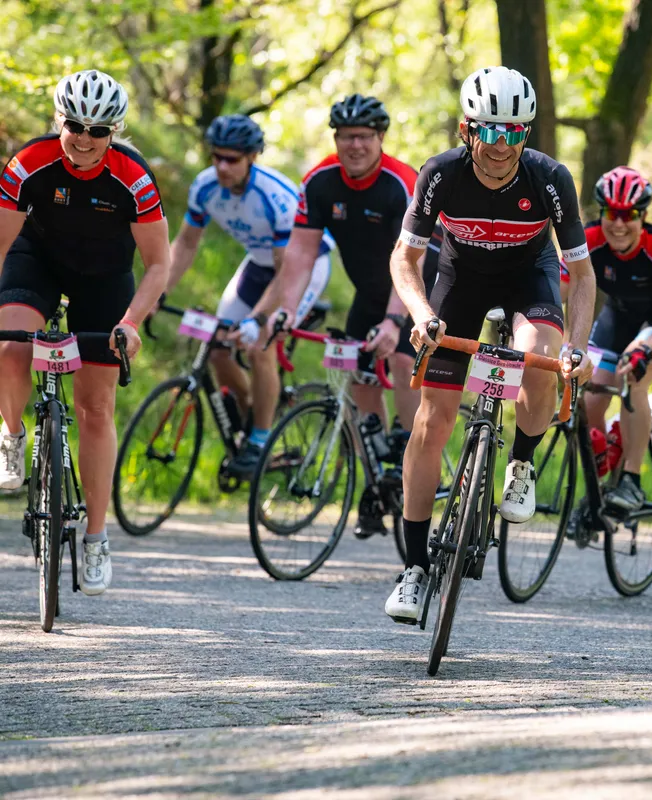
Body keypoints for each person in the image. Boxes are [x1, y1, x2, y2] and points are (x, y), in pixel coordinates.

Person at [384, 66, 596, 622]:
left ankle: (520, 464)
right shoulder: (440, 174)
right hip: (461, 281)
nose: (502, 145)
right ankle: (413, 568)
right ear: (467, 129)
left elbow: (582, 274)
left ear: (526, 133)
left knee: (541, 362)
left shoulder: (550, 178)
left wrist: (576, 347)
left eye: (515, 132)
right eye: (491, 130)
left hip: (530, 278)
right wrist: (423, 314)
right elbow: (405, 258)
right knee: (432, 421)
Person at [0, 70, 169, 594]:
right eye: (75, 125)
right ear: (60, 120)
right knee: (10, 347)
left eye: (98, 130)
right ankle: (12, 434)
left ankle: (96, 537)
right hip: (36, 261)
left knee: (96, 407)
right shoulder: (29, 162)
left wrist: (130, 323)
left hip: (104, 277)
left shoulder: (133, 177)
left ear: (113, 132)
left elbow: (159, 265)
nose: (85, 138)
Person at [275, 94, 427, 536]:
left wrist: (395, 321)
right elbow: (301, 252)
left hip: (419, 283)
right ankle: (378, 476)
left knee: (401, 358)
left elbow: (411, 261)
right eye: (345, 136)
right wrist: (287, 310)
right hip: (370, 291)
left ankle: (412, 454)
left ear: (380, 138)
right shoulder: (320, 181)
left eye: (363, 136)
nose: (354, 145)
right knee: (356, 373)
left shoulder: (402, 183)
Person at [164, 114, 334, 477]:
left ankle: (260, 440)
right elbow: (185, 245)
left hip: (302, 267)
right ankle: (254, 413)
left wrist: (258, 318)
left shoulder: (275, 197)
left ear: (252, 157)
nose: (222, 167)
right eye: (217, 157)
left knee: (259, 345)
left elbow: (287, 271)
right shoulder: (205, 187)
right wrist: (156, 293)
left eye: (232, 159)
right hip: (259, 263)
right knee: (218, 344)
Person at [562, 166, 652, 508]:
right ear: (601, 212)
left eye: (628, 215)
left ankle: (631, 479)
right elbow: (558, 292)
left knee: (634, 374)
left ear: (642, 216)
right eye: (611, 213)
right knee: (590, 396)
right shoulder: (588, 240)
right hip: (621, 313)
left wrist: (644, 350)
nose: (618, 223)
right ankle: (601, 478)